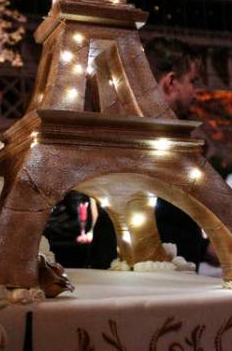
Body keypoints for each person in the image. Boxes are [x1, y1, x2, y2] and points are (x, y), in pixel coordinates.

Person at [88, 37, 209, 269]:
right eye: (192, 81)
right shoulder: (163, 144)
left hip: (122, 264)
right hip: (156, 273)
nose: (196, 91)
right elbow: (171, 218)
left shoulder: (124, 132)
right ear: (171, 82)